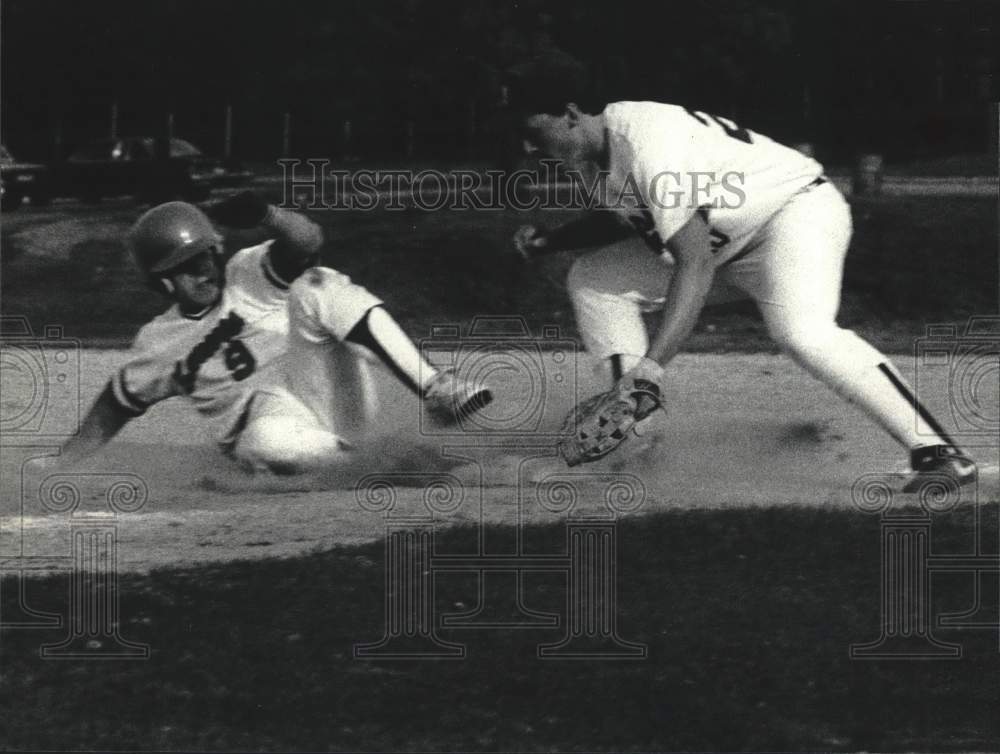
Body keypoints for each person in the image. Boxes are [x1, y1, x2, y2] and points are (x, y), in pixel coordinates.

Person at [508, 67, 976, 491]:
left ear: (569, 114)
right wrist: (553, 241)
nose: (529, 148)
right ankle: (633, 440)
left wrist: (650, 369)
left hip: (791, 217)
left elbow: (693, 262)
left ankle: (939, 454)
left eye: (533, 131)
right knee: (595, 277)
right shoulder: (594, 153)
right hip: (725, 241)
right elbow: (634, 217)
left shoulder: (646, 142)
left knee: (803, 333)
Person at [54, 193, 491, 474]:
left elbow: (306, 243)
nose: (201, 270)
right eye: (183, 267)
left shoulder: (246, 273)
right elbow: (115, 404)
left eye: (203, 257)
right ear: (161, 282)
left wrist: (268, 214)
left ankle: (437, 388)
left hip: (327, 393)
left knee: (315, 283)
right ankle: (392, 465)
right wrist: (57, 468)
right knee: (262, 440)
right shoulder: (158, 341)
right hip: (279, 435)